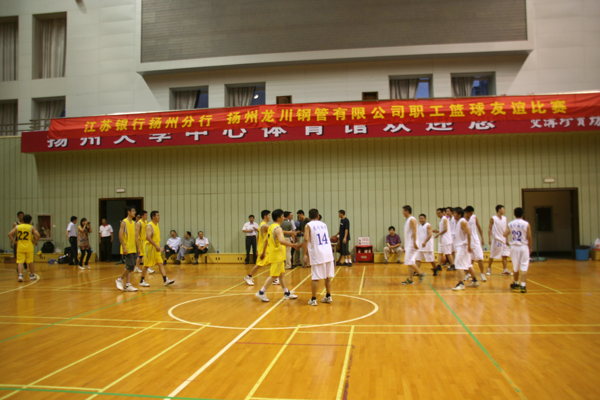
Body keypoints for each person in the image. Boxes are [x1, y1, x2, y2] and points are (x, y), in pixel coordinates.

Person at [255, 209, 301, 302]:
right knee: (274, 275)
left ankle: (286, 293)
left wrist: (263, 252)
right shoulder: (278, 228)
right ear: (278, 217)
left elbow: (266, 240)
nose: (284, 218)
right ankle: (261, 292)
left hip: (275, 254)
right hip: (277, 255)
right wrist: (293, 245)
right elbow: (281, 241)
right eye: (283, 216)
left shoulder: (271, 226)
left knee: (281, 275)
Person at [303, 208, 334, 306]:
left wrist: (304, 253)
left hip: (317, 254)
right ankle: (328, 296)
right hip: (328, 252)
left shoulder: (308, 225)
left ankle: (313, 299)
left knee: (315, 277)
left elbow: (306, 239)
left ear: (309, 217)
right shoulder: (324, 224)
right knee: (328, 276)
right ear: (318, 216)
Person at [140, 211, 175, 288]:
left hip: (156, 247)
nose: (159, 217)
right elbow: (148, 237)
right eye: (157, 215)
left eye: (159, 215)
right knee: (146, 265)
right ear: (153, 217)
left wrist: (159, 246)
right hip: (149, 248)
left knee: (160, 263)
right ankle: (142, 280)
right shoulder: (149, 226)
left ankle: (165, 280)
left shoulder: (157, 225)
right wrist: (156, 246)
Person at [504, 207, 532, 293]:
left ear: (514, 214)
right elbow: (530, 237)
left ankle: (516, 283)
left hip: (514, 247)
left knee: (515, 266)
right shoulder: (526, 224)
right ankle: (523, 285)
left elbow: (504, 234)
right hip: (524, 246)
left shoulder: (510, 224)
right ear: (523, 214)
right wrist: (531, 247)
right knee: (524, 266)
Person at [451, 207, 479, 291]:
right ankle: (475, 281)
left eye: (455, 213)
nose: (453, 215)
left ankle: (461, 283)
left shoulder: (462, 222)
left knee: (458, 264)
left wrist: (469, 246)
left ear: (459, 215)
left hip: (463, 247)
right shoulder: (459, 222)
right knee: (469, 265)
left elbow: (469, 233)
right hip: (463, 246)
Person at [244, 210, 274, 286]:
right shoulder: (265, 226)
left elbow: (258, 237)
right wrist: (289, 232)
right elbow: (276, 230)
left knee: (273, 261)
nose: (270, 217)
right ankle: (249, 276)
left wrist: (258, 247)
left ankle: (275, 278)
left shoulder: (261, 224)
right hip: (264, 247)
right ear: (265, 216)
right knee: (260, 264)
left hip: (264, 247)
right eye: (269, 215)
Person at [8, 214, 40, 282]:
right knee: (30, 261)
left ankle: (20, 275)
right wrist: (34, 242)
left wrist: (14, 241)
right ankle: (32, 275)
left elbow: (9, 234)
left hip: (20, 246)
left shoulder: (18, 227)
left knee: (20, 261)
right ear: (30, 221)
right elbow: (38, 235)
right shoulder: (31, 227)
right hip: (29, 246)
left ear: (23, 219)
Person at [115, 206, 139, 292]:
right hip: (127, 247)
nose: (134, 212)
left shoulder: (134, 223)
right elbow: (120, 235)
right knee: (129, 265)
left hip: (133, 247)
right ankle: (120, 279)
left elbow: (136, 236)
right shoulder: (124, 222)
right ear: (128, 212)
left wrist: (138, 247)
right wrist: (124, 247)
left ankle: (128, 284)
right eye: (133, 211)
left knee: (131, 266)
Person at [400, 206, 426, 285]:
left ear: (407, 211)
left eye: (403, 211)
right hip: (409, 244)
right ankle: (410, 279)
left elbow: (414, 231)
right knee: (410, 261)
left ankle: (420, 273)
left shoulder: (412, 219)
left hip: (412, 244)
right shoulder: (408, 220)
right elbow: (408, 234)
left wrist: (414, 242)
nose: (402, 213)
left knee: (408, 261)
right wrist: (405, 244)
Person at [464, 206, 487, 282]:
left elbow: (479, 227)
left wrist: (482, 238)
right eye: (470, 213)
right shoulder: (462, 220)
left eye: (472, 213)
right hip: (467, 241)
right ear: (466, 212)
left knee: (480, 257)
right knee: (469, 259)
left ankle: (482, 274)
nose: (471, 214)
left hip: (475, 240)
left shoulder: (474, 217)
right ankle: (467, 274)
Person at [488, 204, 511, 275]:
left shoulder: (505, 218)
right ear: (499, 210)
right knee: (492, 255)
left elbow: (506, 229)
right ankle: (488, 268)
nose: (504, 210)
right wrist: (489, 238)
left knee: (505, 255)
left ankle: (505, 269)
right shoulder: (493, 218)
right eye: (503, 209)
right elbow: (489, 228)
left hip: (504, 239)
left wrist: (507, 239)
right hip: (497, 239)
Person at [433, 208, 454, 273]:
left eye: (439, 213)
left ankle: (452, 265)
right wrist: (437, 231)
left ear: (442, 213)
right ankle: (439, 265)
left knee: (448, 253)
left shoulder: (444, 219)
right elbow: (442, 230)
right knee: (440, 253)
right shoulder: (441, 220)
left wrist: (438, 234)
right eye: (437, 213)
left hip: (446, 239)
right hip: (442, 239)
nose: (438, 214)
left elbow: (445, 229)